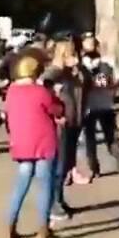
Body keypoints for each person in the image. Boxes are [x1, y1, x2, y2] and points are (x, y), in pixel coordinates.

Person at [4, 51, 64, 238]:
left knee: (20, 185)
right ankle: (43, 229)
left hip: (21, 143)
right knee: (45, 185)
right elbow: (57, 109)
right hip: (43, 142)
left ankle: (10, 224)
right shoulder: (41, 92)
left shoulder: (11, 92)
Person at [80, 34, 119, 182]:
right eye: (86, 43)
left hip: (105, 105)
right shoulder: (80, 64)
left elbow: (116, 82)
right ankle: (93, 169)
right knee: (90, 140)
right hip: (87, 107)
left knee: (112, 138)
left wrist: (109, 85)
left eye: (92, 43)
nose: (90, 46)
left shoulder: (107, 63)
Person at [45, 37, 84, 223]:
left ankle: (59, 199)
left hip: (75, 122)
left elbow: (98, 83)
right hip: (60, 126)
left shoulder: (75, 73)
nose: (75, 57)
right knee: (58, 166)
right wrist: (54, 111)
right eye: (71, 54)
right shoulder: (54, 73)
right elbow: (43, 90)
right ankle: (53, 204)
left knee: (67, 164)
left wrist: (108, 80)